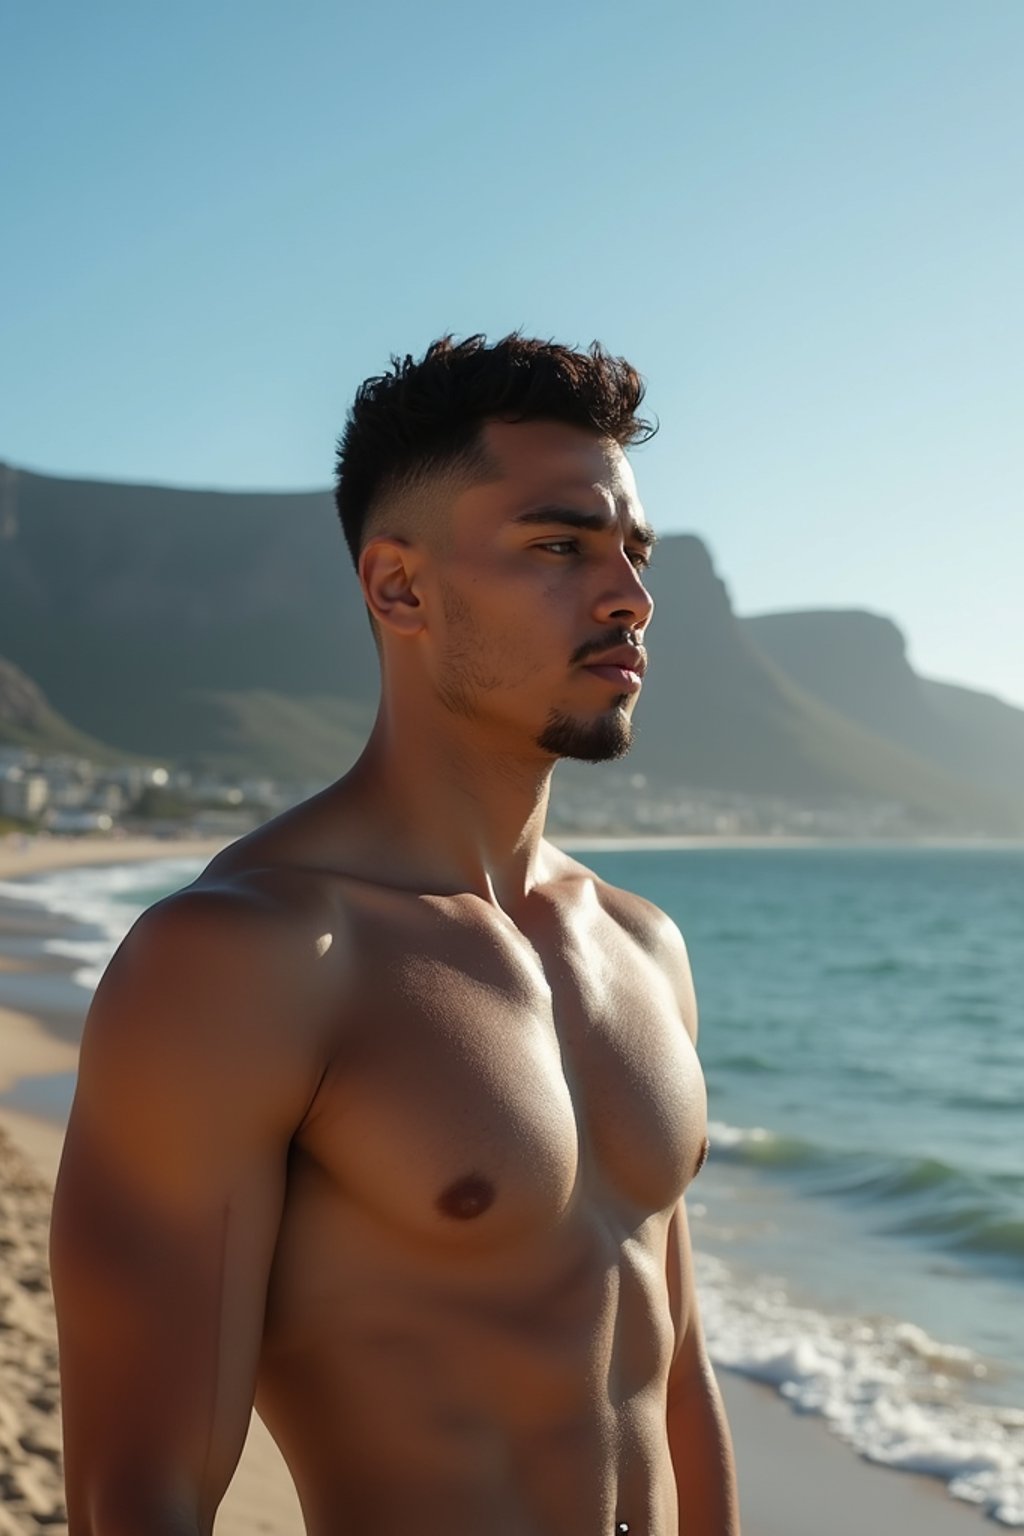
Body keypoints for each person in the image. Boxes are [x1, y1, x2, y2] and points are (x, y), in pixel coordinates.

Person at [50, 334, 740, 1536]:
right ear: (400, 588)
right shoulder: (243, 960)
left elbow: (674, 1367)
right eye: (558, 546)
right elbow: (139, 1490)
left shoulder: (645, 946)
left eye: (633, 550)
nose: (630, 593)